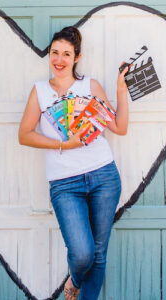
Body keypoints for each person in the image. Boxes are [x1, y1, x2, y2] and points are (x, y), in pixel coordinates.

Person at [18, 26, 129, 300]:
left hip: (104, 175)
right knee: (82, 254)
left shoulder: (89, 86)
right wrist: (64, 144)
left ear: (76, 57)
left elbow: (119, 127)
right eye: (55, 52)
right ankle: (75, 279)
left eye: (66, 54)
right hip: (65, 184)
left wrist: (120, 90)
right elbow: (24, 135)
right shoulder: (40, 91)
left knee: (99, 254)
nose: (59, 59)